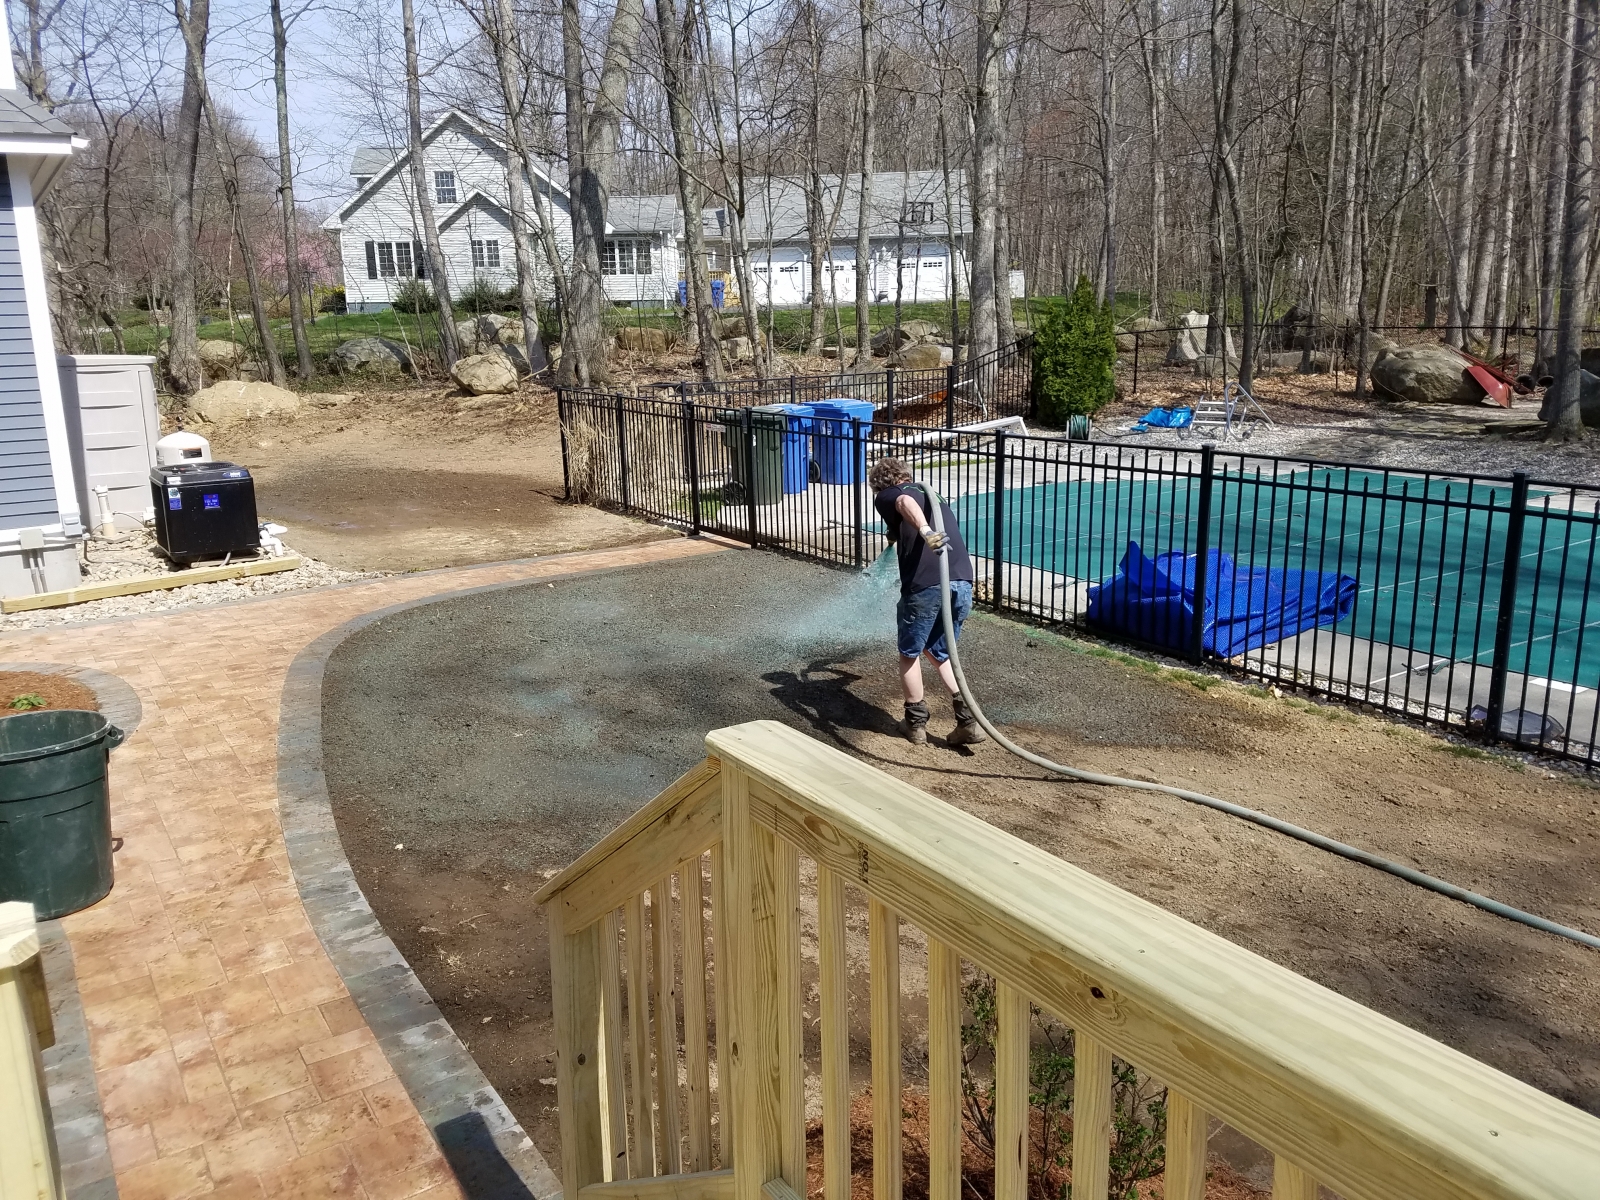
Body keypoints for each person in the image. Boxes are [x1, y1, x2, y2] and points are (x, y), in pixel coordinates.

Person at [869, 456, 986, 747]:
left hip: (926, 585)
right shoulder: (934, 496)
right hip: (961, 581)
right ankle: (968, 722)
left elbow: (903, 503)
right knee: (940, 651)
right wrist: (896, 533)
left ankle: (915, 724)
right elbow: (906, 514)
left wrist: (926, 533)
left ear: (880, 484)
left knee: (909, 653)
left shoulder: (891, 494)